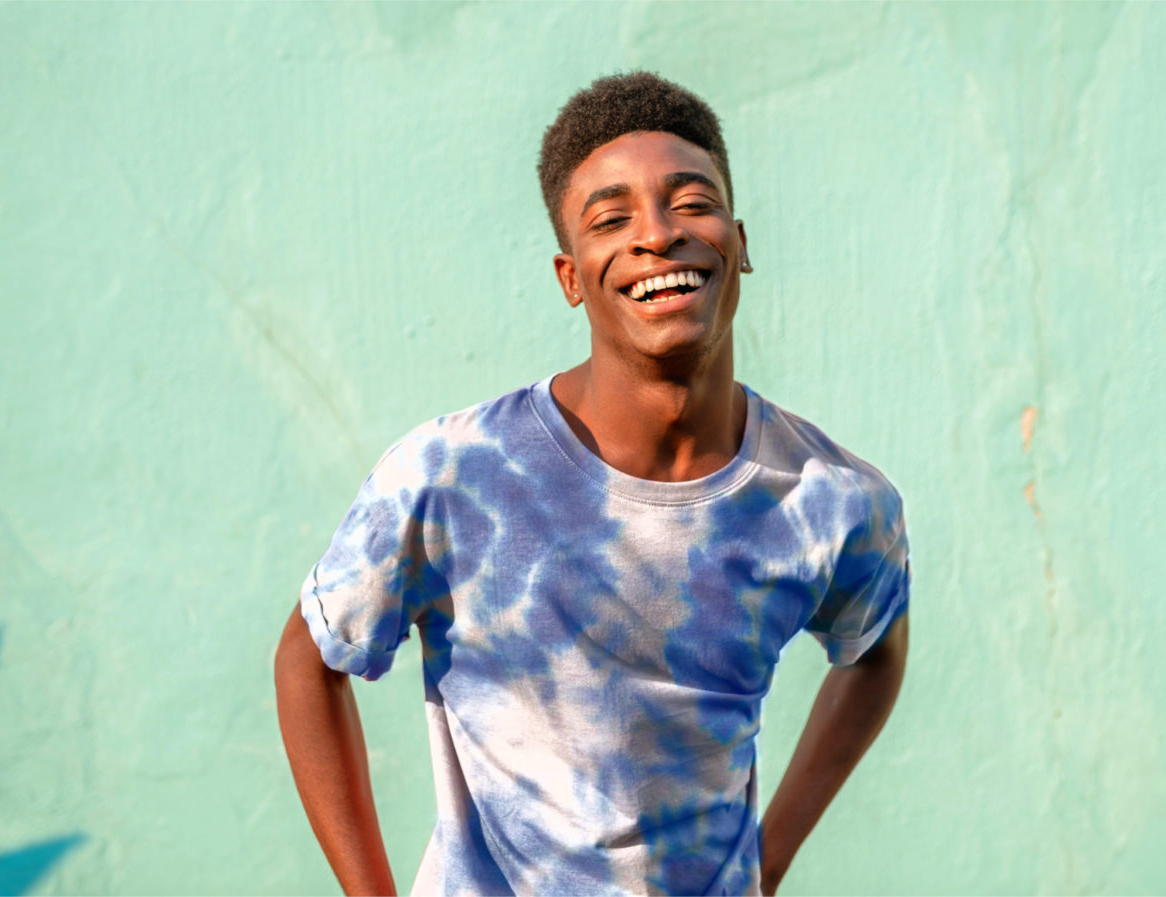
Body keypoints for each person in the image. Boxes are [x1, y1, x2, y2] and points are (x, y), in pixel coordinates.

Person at [274, 72, 911, 897]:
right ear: (572, 275)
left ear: (740, 240)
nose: (657, 235)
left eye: (690, 202)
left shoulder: (831, 501)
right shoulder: (454, 474)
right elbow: (308, 655)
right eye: (611, 219)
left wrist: (768, 858)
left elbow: (875, 652)